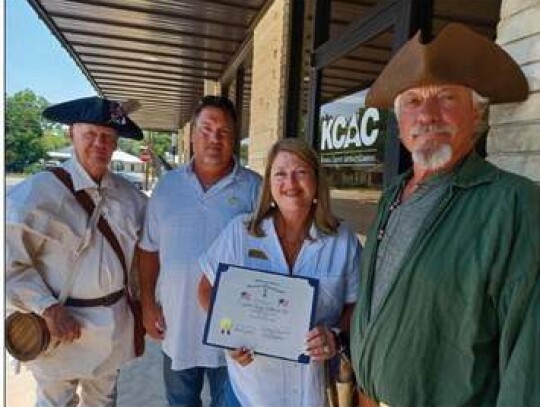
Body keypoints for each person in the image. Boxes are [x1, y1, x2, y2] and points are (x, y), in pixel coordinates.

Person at [350, 23, 540, 407]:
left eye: (446, 98)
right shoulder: (391, 198)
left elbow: (529, 354)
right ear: (400, 126)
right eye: (413, 103)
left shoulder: (513, 204)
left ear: (477, 114)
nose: (428, 115)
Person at [197, 138, 362, 407]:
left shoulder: (343, 241)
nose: (290, 183)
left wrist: (335, 336)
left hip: (314, 393)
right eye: (280, 174)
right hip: (249, 392)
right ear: (269, 184)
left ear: (317, 180)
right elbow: (205, 290)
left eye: (301, 172)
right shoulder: (241, 232)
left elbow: (356, 305)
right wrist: (228, 334)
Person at [6, 96, 148, 407]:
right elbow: (10, 264)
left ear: (115, 144)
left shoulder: (132, 198)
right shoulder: (36, 193)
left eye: (108, 137)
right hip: (60, 326)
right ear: (72, 134)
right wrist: (47, 307)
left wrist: (146, 306)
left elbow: (144, 260)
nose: (99, 143)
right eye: (90, 134)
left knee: (103, 401)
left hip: (111, 326)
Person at [138, 95, 261, 407]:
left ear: (235, 139)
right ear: (191, 135)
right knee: (181, 402)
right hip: (176, 327)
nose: (214, 139)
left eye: (224, 132)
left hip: (233, 334)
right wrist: (148, 304)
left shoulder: (256, 190)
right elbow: (149, 250)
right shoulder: (167, 188)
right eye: (206, 129)